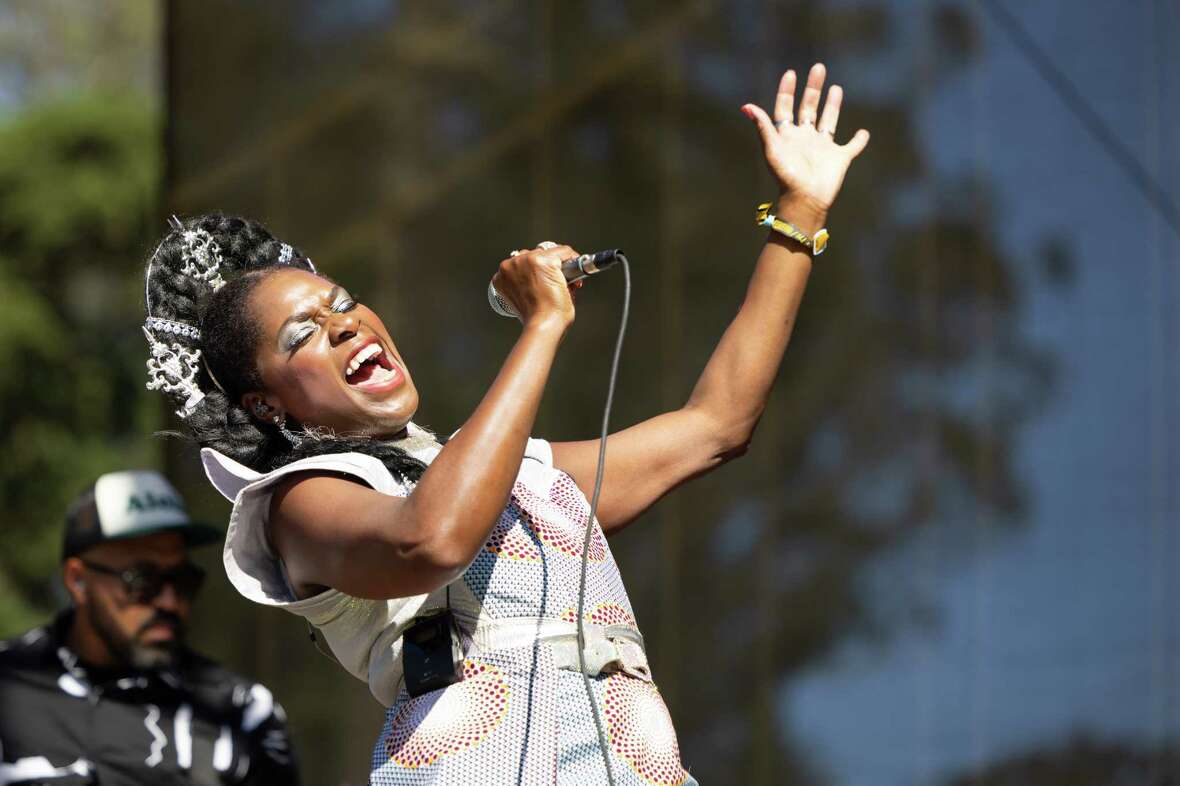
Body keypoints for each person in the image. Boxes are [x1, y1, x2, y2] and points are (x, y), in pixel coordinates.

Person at [139, 64, 868, 785]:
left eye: (344, 302)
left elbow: (715, 426)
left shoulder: (516, 477)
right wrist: (543, 326)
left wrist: (799, 213)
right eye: (303, 334)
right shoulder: (298, 505)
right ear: (266, 405)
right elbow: (432, 539)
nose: (343, 326)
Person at [0, 470, 299, 786]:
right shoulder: (9, 683)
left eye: (183, 581)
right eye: (142, 581)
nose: (169, 602)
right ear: (78, 580)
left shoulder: (240, 711)